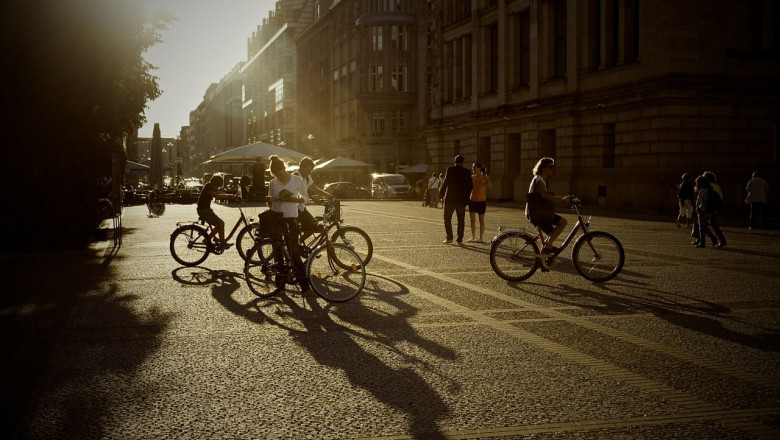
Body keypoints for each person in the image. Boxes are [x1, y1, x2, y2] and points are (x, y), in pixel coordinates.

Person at [267, 155, 310, 292]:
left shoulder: (296, 180)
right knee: (278, 253)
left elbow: (305, 198)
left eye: (280, 173)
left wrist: (293, 200)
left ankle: (305, 288)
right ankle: (280, 286)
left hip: (291, 218)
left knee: (294, 252)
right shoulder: (273, 183)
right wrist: (270, 200)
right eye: (276, 175)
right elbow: (269, 202)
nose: (279, 177)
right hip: (276, 219)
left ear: (284, 169)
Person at [525, 157, 571, 254]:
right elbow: (544, 195)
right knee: (563, 222)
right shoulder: (539, 180)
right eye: (550, 167)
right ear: (543, 168)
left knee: (552, 234)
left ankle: (543, 254)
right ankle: (548, 246)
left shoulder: (540, 179)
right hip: (536, 213)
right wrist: (562, 199)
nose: (553, 169)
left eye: (553, 167)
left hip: (537, 212)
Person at [439, 155, 473, 244]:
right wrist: (467, 197)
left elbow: (445, 183)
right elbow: (470, 186)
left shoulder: (450, 170)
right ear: (463, 162)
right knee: (461, 219)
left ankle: (449, 237)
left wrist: (441, 195)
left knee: (447, 218)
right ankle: (460, 239)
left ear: (455, 161)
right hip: (461, 200)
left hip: (450, 198)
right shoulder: (467, 171)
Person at [294, 157, 331, 234]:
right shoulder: (294, 177)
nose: (309, 173)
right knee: (299, 231)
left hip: (301, 208)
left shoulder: (307, 177)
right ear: (301, 167)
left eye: (311, 171)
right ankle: (296, 245)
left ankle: (300, 243)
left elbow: (315, 188)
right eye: (308, 171)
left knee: (313, 226)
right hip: (294, 209)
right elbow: (295, 193)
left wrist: (328, 196)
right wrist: (312, 197)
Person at [197, 174, 231, 249]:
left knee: (219, 224)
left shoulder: (210, 186)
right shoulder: (209, 188)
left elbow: (219, 192)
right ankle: (222, 244)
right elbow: (217, 196)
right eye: (217, 186)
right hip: (204, 210)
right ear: (215, 183)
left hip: (205, 210)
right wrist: (229, 196)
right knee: (221, 223)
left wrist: (231, 195)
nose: (217, 188)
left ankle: (207, 238)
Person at [468, 162, 491, 243]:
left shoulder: (485, 177)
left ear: (479, 168)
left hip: (482, 200)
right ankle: (473, 237)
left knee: (481, 220)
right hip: (472, 200)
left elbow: (490, 186)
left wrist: (481, 179)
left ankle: (481, 238)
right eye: (473, 167)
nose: (473, 169)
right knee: (472, 220)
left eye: (474, 167)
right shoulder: (471, 177)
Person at [693, 175, 718, 248]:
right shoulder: (709, 189)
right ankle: (713, 239)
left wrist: (697, 208)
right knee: (705, 226)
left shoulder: (702, 190)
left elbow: (698, 201)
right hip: (708, 210)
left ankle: (703, 242)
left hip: (702, 210)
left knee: (702, 227)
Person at [703, 171, 726, 247]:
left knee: (703, 224)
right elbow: (721, 197)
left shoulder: (706, 186)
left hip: (707, 208)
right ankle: (720, 240)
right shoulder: (717, 186)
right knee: (712, 224)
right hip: (714, 208)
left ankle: (716, 239)